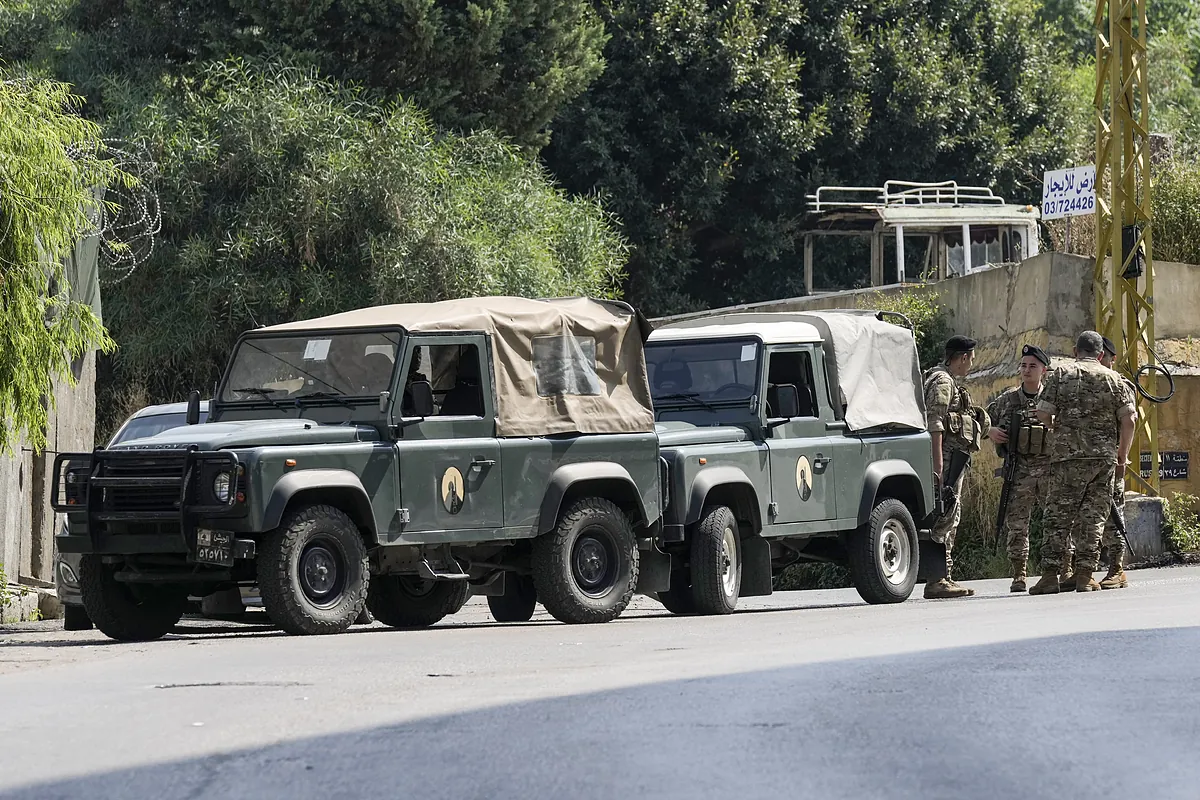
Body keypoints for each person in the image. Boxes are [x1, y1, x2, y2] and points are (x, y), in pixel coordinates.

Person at [1031, 331, 1136, 595]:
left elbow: (1043, 411)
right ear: (1101, 355)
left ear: (1075, 351)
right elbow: (1129, 420)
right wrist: (1122, 454)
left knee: (1058, 515)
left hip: (1067, 458)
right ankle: (1085, 576)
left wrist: (1055, 427)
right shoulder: (1115, 379)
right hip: (1103, 460)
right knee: (1094, 518)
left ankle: (1049, 576)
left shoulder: (1060, 374)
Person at [923, 335, 989, 599]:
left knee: (950, 513)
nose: (970, 365)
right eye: (970, 359)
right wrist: (938, 464)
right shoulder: (942, 381)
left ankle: (944, 576)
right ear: (962, 358)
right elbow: (935, 422)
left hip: (952, 456)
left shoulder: (942, 378)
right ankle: (936, 578)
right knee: (945, 514)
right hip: (947, 458)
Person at [986, 344, 1051, 592]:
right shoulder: (1008, 400)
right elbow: (981, 419)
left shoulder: (1051, 400)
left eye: (1032, 366)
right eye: (1023, 366)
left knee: (1056, 521)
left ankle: (1061, 569)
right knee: (1017, 525)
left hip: (1048, 470)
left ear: (1043, 370)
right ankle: (1019, 574)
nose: (1026, 370)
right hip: (1019, 471)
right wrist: (990, 432)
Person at [1097, 335, 1135, 588]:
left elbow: (1129, 422)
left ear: (1112, 358)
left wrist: (1122, 455)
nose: (1101, 361)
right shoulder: (1087, 383)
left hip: (1112, 459)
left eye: (1105, 357)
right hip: (1089, 459)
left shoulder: (1121, 384)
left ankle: (1116, 568)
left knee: (1113, 512)